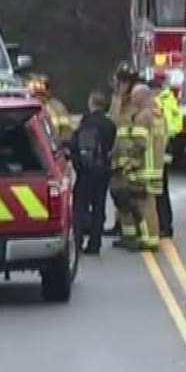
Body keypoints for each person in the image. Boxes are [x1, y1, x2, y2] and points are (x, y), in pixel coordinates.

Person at [110, 62, 162, 252]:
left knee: (143, 204)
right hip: (145, 167)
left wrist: (129, 164)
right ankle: (134, 235)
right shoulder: (150, 111)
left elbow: (137, 142)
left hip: (140, 168)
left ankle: (148, 239)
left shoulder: (141, 114)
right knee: (132, 201)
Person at [65, 89, 117, 255]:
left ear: (91, 103)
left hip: (86, 172)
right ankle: (95, 244)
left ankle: (78, 241)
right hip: (103, 171)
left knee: (80, 207)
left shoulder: (86, 122)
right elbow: (113, 147)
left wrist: (75, 162)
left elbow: (75, 144)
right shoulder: (110, 124)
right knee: (99, 207)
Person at [151, 79, 183, 238]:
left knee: (158, 190)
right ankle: (165, 224)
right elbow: (177, 126)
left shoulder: (158, 102)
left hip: (159, 151)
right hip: (166, 148)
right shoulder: (169, 99)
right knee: (162, 190)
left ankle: (163, 225)